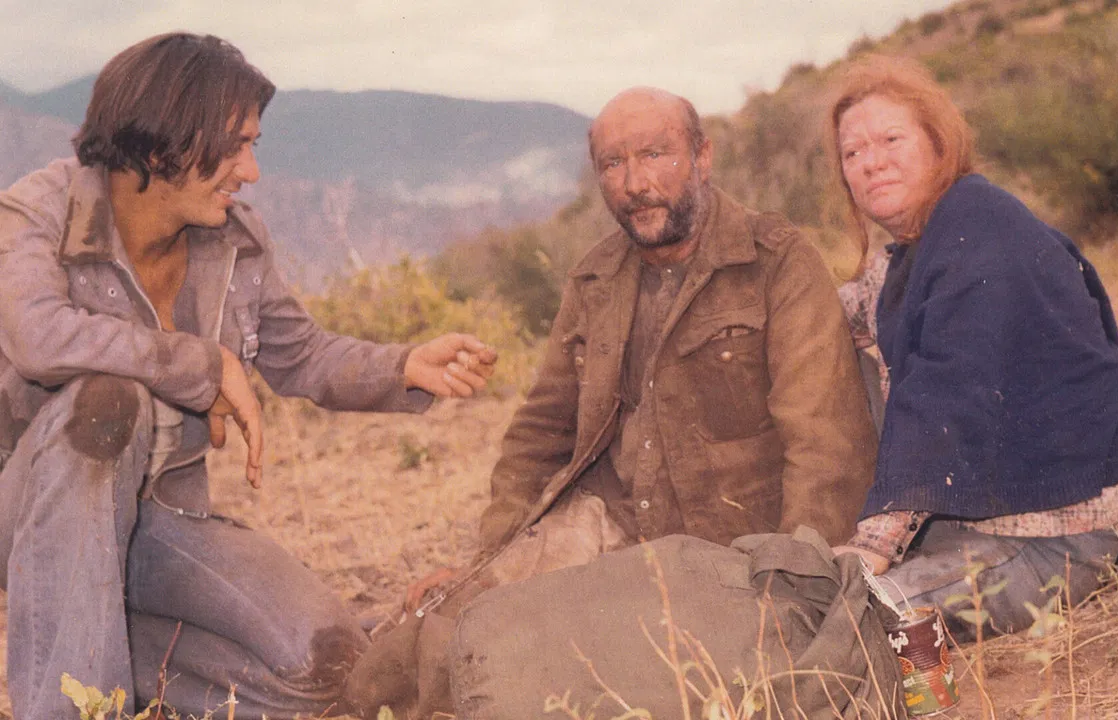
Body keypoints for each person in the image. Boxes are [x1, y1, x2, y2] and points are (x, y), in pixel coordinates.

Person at [0, 33, 497, 720]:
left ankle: (122, 659)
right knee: (106, 400)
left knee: (333, 665)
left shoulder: (233, 238)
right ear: (163, 142)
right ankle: (75, 709)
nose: (252, 170)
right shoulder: (43, 208)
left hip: (162, 518)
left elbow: (300, 354)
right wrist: (203, 363)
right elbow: (37, 337)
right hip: (30, 513)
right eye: (235, 146)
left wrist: (401, 365)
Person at [344, 86, 880, 717]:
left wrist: (795, 580)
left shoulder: (775, 263)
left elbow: (825, 441)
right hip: (608, 523)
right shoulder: (595, 279)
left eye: (655, 155)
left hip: (726, 551)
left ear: (703, 158)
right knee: (430, 645)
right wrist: (490, 560)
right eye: (613, 164)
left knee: (557, 671)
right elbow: (538, 435)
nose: (634, 183)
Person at [825, 55, 1118, 642]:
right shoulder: (914, 254)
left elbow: (945, 401)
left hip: (1054, 538)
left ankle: (926, 698)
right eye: (853, 152)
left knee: (872, 614)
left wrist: (871, 550)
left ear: (939, 143)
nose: (871, 162)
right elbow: (827, 315)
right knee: (829, 354)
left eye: (891, 139)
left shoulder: (982, 233)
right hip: (980, 519)